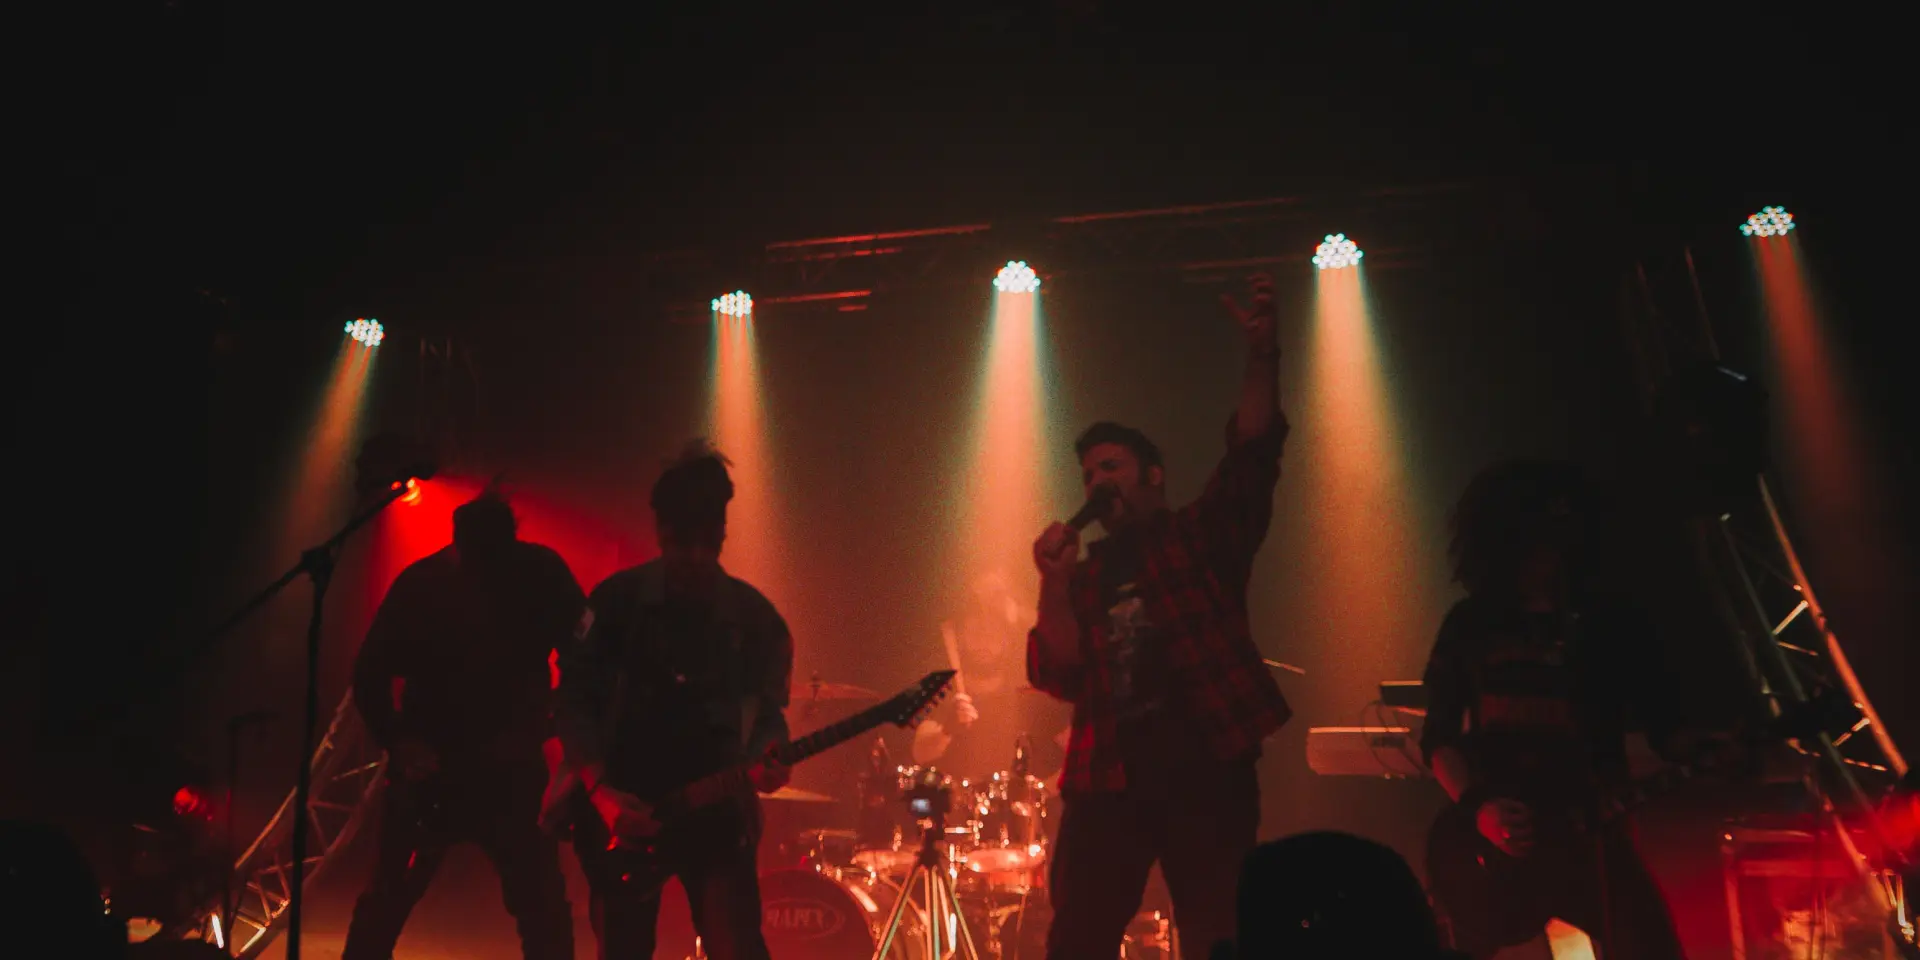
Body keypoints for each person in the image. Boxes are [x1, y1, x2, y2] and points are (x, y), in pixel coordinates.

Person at [1027, 274, 1293, 958]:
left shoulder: (1198, 538)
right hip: (1108, 781)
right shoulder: (1082, 579)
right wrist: (1051, 585)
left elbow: (1253, 456)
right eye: (1086, 474)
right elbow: (1056, 670)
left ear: (1153, 476)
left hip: (1206, 771)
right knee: (1078, 938)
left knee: (1220, 936)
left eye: (1111, 466)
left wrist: (1262, 356)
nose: (1095, 482)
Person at [1419, 459, 1687, 959]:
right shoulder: (1472, 623)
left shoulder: (1611, 624)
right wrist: (1480, 809)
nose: (1554, 550)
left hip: (1594, 837)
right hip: (1498, 843)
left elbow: (1665, 727)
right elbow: (1438, 739)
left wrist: (1712, 749)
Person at [555, 441, 794, 960]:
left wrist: (774, 753)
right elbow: (572, 700)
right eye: (682, 544)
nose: (695, 559)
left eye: (707, 544)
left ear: (723, 535)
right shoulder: (617, 602)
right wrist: (601, 795)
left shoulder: (754, 619)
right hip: (627, 811)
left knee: (739, 947)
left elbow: (769, 715)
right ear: (660, 533)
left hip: (717, 816)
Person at [342, 491, 580, 960]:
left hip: (508, 772)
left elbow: (590, 655)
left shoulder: (541, 573)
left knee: (543, 910)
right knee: (386, 901)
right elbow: (369, 671)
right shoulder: (425, 583)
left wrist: (558, 713)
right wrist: (400, 742)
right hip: (433, 771)